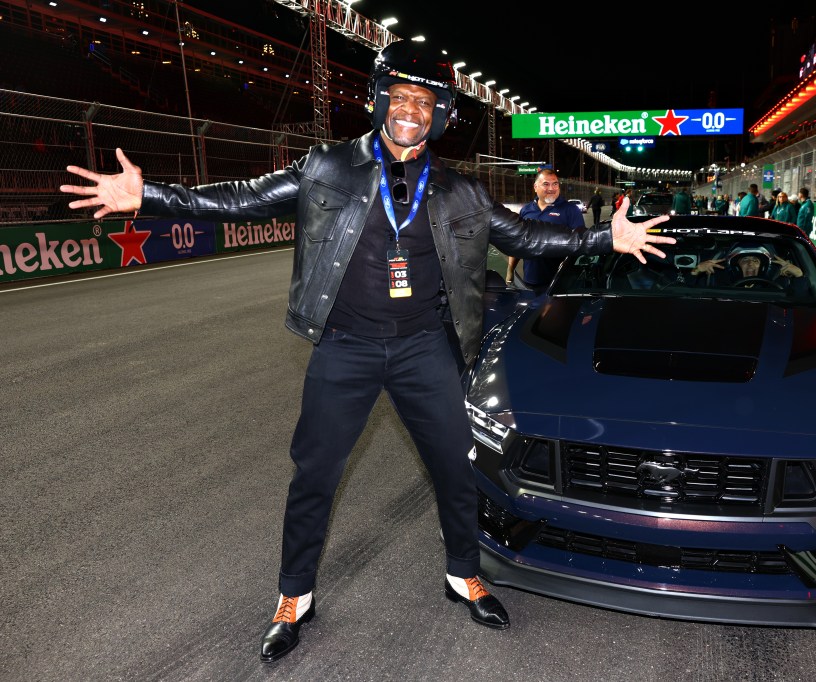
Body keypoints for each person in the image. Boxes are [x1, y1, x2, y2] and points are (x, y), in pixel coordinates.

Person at [58, 40, 673, 663]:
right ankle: (294, 596)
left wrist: (604, 237)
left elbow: (528, 236)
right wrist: (153, 197)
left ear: (439, 115)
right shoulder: (328, 166)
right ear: (381, 100)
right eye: (400, 96)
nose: (411, 109)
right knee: (314, 477)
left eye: (424, 101)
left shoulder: (462, 191)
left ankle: (463, 573)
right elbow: (243, 198)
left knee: (457, 470)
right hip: (345, 347)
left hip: (423, 348)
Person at [506, 169, 586, 291]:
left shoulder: (571, 210)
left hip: (561, 283)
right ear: (535, 187)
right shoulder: (526, 210)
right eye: (546, 184)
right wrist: (510, 271)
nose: (551, 188)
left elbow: (581, 244)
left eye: (555, 184)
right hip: (530, 281)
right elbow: (518, 243)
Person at [688, 242, 807, 293]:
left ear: (762, 267)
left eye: (755, 260)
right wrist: (696, 271)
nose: (750, 264)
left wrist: (799, 275)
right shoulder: (719, 283)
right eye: (745, 260)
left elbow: (802, 303)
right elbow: (688, 296)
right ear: (736, 267)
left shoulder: (775, 286)